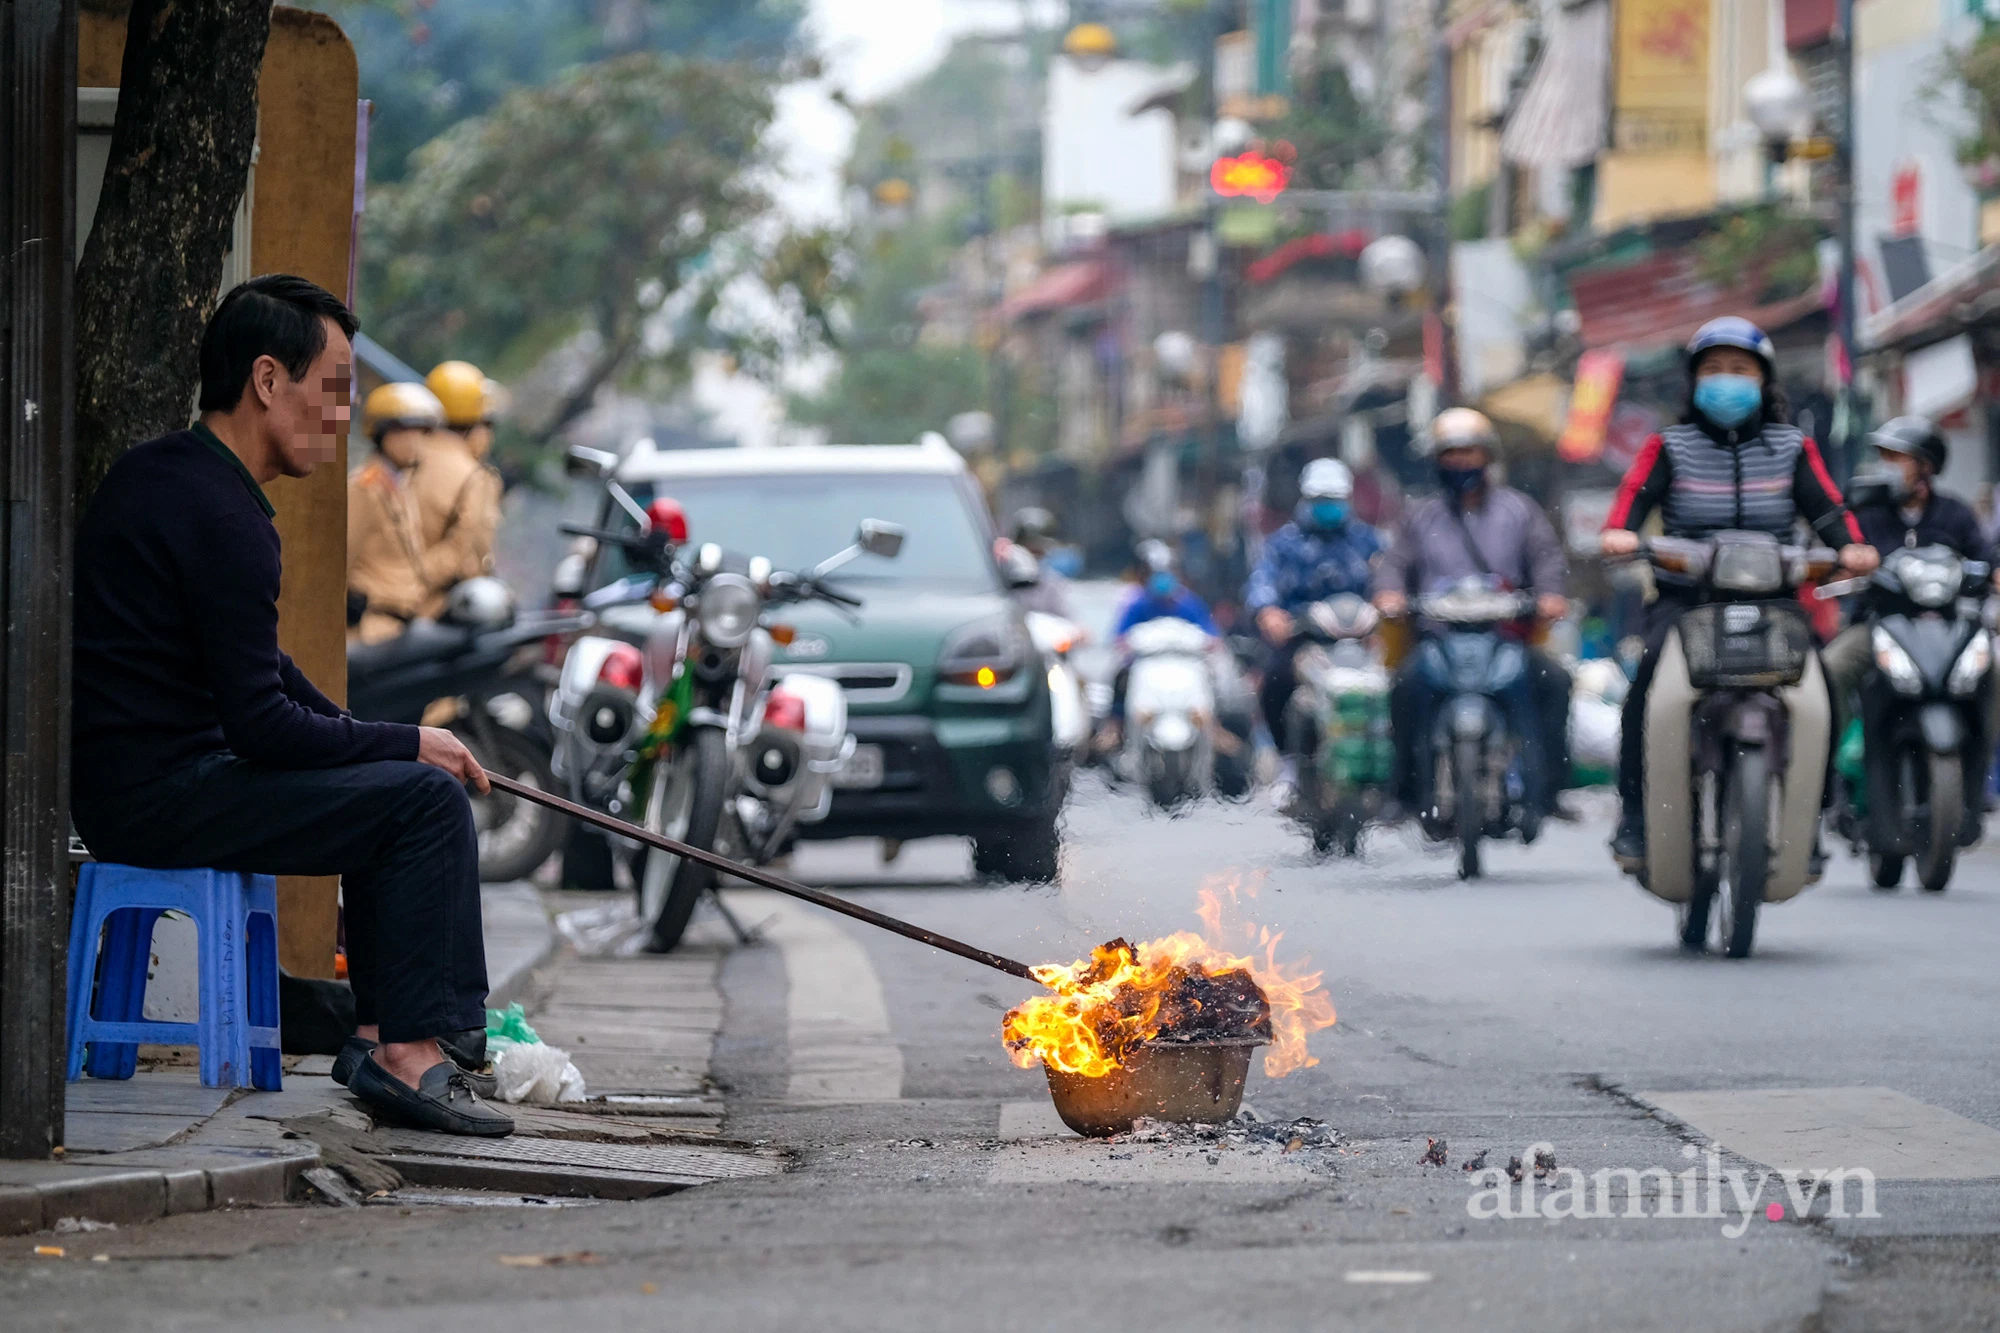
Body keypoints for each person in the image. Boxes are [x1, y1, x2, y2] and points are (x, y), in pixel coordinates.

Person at [70, 275, 512, 1137]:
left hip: (141, 783)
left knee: (403, 779)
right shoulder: (225, 517)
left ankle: (400, 1034)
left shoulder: (169, 476)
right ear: (268, 381)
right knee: (419, 805)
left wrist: (393, 740)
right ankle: (414, 1051)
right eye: (331, 388)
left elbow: (267, 670)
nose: (343, 415)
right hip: (160, 796)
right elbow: (261, 724)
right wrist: (404, 746)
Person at [1601, 316, 1875, 865]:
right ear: (1695, 381)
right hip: (1685, 602)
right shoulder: (1668, 447)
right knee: (1648, 682)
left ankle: (1813, 815)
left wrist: (1852, 547)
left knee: (1818, 687)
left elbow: (1828, 510)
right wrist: (1621, 535)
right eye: (1715, 369)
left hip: (1774, 603)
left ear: (1763, 380)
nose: (1727, 380)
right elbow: (1628, 510)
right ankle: (1634, 815)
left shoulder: (1792, 447)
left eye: (1740, 370)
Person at [1371, 409, 1572, 815]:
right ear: (1436, 460)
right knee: (1405, 690)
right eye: (1451, 454)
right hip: (1439, 640)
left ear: (1488, 456)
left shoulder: (1520, 510)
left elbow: (1547, 559)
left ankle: (1550, 791)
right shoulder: (1419, 516)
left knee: (1555, 683)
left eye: (1470, 453)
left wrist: (1551, 595)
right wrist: (1389, 595)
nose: (1461, 462)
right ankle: (1405, 792)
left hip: (1505, 637)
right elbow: (1394, 564)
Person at [1822, 416, 2000, 748]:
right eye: (1883, 457)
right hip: (1876, 627)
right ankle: (1833, 765)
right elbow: (1838, 560)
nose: (1885, 466)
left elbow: (1987, 560)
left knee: (1994, 670)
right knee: (1832, 668)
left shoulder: (1955, 514)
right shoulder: (1866, 514)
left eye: (1894, 458)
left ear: (1925, 466)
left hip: (1948, 628)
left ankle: (1983, 754)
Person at [1246, 458, 1382, 756]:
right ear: (1306, 499)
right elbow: (1262, 581)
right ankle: (1288, 763)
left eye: (1334, 500)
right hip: (1303, 638)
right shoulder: (1283, 544)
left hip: (1361, 640)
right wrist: (1269, 612)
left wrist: (1388, 603)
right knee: (1276, 683)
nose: (1328, 506)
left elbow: (1388, 579)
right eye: (1320, 500)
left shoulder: (1367, 540)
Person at [347, 382, 445, 645]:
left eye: (424, 432)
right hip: (372, 628)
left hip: (400, 626)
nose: (419, 441)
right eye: (410, 430)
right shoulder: (365, 488)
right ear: (385, 432)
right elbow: (339, 559)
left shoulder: (401, 487)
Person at [412, 359, 504, 616]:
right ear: (475, 425)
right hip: (432, 611)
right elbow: (466, 557)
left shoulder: (401, 459)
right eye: (488, 424)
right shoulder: (476, 478)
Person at [1008, 507, 1075, 618]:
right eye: (1029, 548)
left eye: (1039, 550)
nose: (1033, 555)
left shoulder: (1052, 584)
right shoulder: (999, 578)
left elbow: (1070, 625)